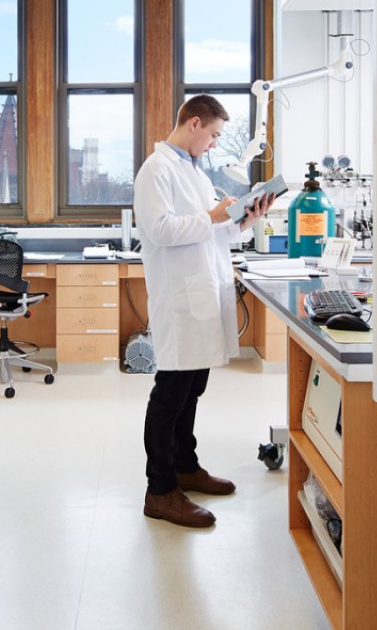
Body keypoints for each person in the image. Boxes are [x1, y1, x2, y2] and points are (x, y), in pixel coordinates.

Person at [133, 94, 274, 528]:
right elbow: (159, 230)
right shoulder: (156, 169)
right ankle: (160, 490)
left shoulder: (193, 171)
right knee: (170, 395)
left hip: (204, 293)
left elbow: (212, 232)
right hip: (180, 298)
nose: (214, 144)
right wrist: (214, 218)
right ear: (194, 124)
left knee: (193, 389)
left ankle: (185, 466)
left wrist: (245, 220)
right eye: (213, 135)